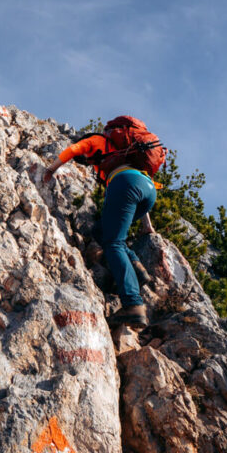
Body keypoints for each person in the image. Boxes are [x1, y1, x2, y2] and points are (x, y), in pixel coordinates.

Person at [43, 118, 160, 328]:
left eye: (86, 159)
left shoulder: (94, 140)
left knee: (113, 243)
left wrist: (51, 169)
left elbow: (73, 149)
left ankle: (133, 305)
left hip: (126, 184)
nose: (87, 161)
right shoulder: (122, 154)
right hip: (148, 189)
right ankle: (137, 268)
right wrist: (146, 224)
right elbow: (134, 190)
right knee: (104, 231)